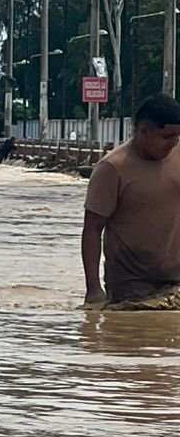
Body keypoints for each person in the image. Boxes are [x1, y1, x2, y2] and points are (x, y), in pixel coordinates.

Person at [82, 94, 180, 306]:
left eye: (177, 136)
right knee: (135, 336)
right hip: (131, 283)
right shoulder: (112, 168)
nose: (173, 143)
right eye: (167, 136)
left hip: (176, 278)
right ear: (143, 131)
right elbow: (92, 229)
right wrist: (93, 288)